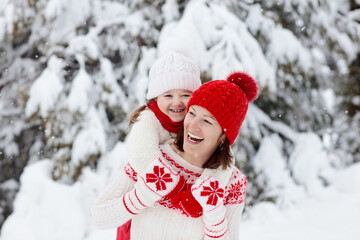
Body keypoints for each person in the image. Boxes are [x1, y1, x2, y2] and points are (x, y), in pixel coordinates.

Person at [92, 71, 259, 239]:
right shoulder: (154, 159)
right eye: (192, 113)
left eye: (207, 121)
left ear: (224, 135)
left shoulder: (231, 183)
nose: (193, 125)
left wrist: (213, 214)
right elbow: (99, 217)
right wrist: (141, 196)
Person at [117, 51, 234, 239]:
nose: (177, 102)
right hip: (144, 207)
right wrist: (176, 189)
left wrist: (207, 191)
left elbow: (225, 159)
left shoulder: (197, 122)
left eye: (186, 95)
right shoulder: (149, 119)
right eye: (168, 95)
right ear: (155, 98)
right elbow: (141, 154)